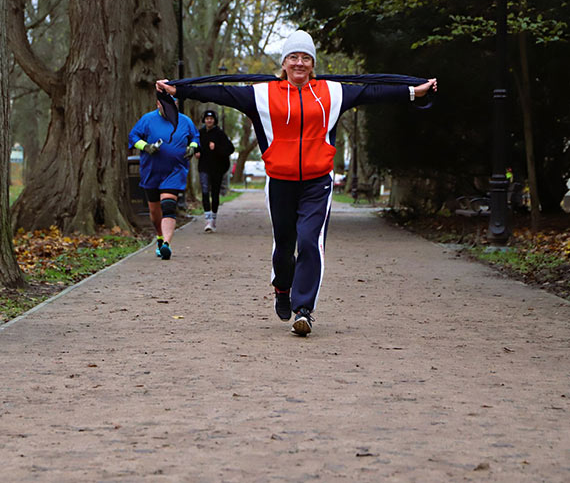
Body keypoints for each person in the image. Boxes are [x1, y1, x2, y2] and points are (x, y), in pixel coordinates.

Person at [156, 30, 437, 334]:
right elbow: (220, 93)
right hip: (280, 181)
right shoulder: (262, 94)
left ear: (312, 63)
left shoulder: (332, 92)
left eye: (305, 58)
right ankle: (282, 288)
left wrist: (413, 92)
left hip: (318, 182)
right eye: (294, 57)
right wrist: (179, 91)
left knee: (309, 241)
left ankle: (303, 310)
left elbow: (371, 92)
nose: (300, 63)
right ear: (285, 63)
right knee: (285, 245)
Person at [128, 97, 200, 260]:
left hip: (175, 171)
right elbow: (133, 137)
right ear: (158, 104)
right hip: (152, 171)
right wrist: (145, 146)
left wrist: (192, 147)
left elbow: (195, 137)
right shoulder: (147, 120)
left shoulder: (185, 121)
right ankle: (160, 237)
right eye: (165, 104)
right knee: (154, 211)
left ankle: (167, 244)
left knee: (168, 205)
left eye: (173, 104)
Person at [195, 109, 235, 232]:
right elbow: (194, 144)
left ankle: (213, 219)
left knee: (215, 194)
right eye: (207, 119)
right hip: (204, 167)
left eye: (211, 119)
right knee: (205, 191)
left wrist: (216, 148)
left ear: (214, 120)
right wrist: (196, 151)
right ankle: (207, 219)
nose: (209, 121)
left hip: (217, 168)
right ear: (204, 120)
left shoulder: (220, 134)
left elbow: (230, 149)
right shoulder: (200, 133)